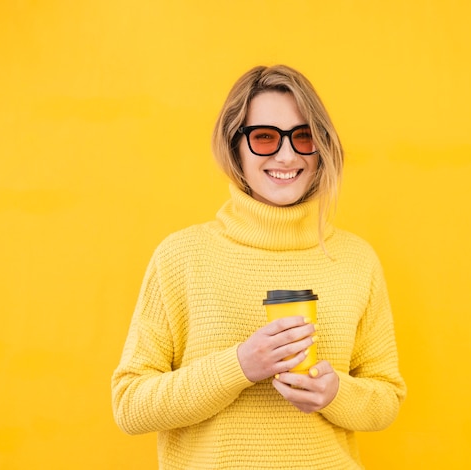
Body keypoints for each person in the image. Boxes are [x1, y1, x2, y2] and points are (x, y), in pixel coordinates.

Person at [111, 64, 406, 469]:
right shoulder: (181, 257)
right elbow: (130, 405)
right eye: (264, 137)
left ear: (321, 148)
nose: (287, 155)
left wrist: (336, 394)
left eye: (304, 136)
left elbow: (387, 398)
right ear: (235, 148)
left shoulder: (356, 260)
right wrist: (241, 365)